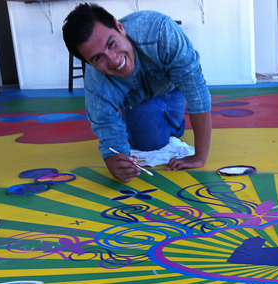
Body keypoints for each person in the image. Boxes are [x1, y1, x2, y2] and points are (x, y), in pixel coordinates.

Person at [62, 3, 212, 182]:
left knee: (170, 125)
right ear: (88, 63)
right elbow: (106, 128)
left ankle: (172, 120)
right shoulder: (97, 85)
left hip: (173, 86)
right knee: (149, 144)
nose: (114, 60)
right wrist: (115, 163)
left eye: (111, 44)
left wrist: (199, 157)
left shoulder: (159, 31)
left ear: (120, 27)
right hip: (139, 101)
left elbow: (196, 93)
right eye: (97, 58)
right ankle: (164, 119)